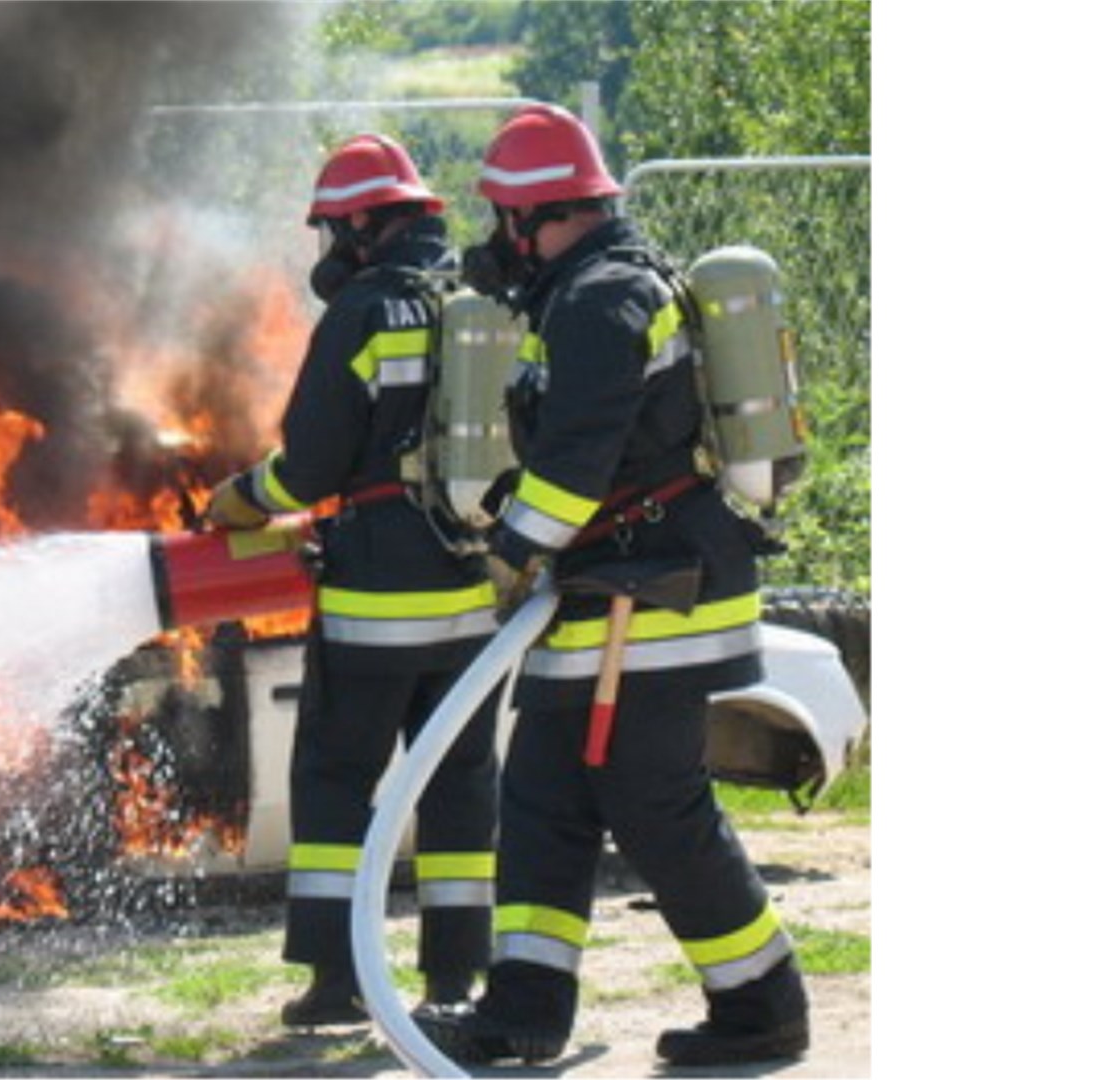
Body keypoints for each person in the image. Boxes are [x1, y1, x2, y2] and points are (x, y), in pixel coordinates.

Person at [423, 104, 810, 1067]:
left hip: (660, 597)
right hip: (612, 589)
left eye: (505, 217)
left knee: (653, 805)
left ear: (537, 216)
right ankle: (525, 1011)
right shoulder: (591, 290)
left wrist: (512, 550)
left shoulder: (602, 300)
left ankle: (763, 1002)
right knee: (544, 798)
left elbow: (577, 463)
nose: (497, 240)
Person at [203, 133, 502, 1028]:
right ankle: (455, 981)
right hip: (472, 596)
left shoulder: (365, 313)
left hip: (376, 601)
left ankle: (338, 980)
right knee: (458, 788)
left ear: (366, 225)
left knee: (336, 782)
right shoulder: (481, 301)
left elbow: (311, 467)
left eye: (333, 229)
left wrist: (241, 500)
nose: (329, 249)